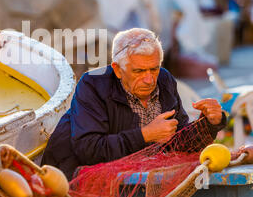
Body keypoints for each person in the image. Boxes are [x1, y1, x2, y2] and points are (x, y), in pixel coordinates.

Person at [41, 28, 227, 180]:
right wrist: (145, 135)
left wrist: (210, 123)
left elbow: (179, 142)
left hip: (135, 176)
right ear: (118, 69)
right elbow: (89, 150)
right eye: (139, 71)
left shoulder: (164, 80)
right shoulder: (93, 84)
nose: (149, 79)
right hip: (74, 179)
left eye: (154, 68)